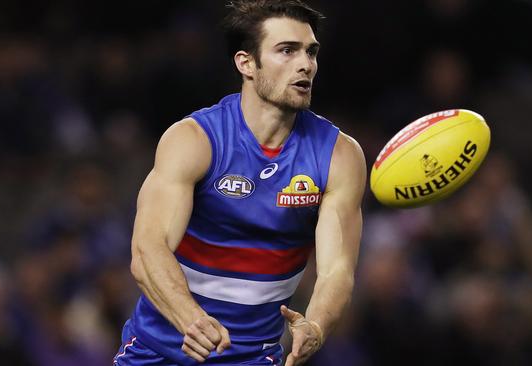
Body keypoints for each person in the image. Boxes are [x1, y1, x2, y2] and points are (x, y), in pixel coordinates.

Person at [114, 1, 366, 365]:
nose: (305, 64)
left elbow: (337, 270)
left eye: (311, 52)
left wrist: (317, 326)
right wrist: (193, 320)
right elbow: (147, 251)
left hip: (253, 358)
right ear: (246, 63)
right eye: (287, 50)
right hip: (157, 352)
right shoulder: (195, 140)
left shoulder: (339, 156)